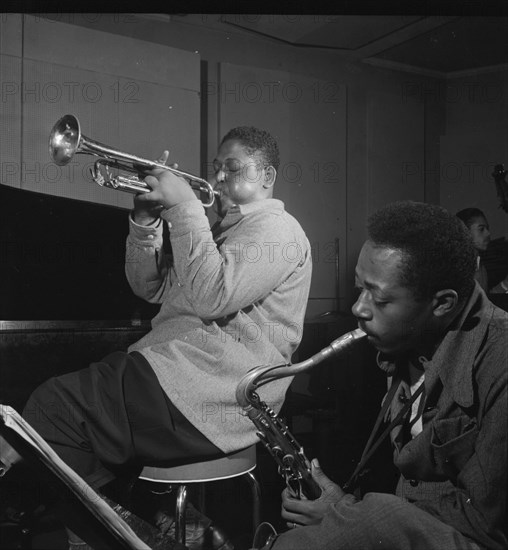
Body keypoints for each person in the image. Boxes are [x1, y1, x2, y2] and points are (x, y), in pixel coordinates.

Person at [0, 126, 312, 548]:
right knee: (69, 427)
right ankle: (178, 532)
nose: (218, 179)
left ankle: (109, 533)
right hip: (182, 373)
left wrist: (185, 208)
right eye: (216, 168)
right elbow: (151, 288)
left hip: (214, 390)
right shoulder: (225, 230)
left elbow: (211, 296)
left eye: (233, 169)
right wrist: (145, 222)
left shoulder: (277, 228)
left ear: (268, 176)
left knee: (55, 408)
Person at [266, 201, 506, 550]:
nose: (358, 308)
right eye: (359, 287)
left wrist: (345, 514)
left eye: (378, 299)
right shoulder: (411, 337)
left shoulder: (500, 361)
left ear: (443, 303)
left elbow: (485, 526)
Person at [456, 207, 508, 294]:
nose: (488, 233)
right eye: (481, 229)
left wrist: (505, 285)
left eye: (487, 228)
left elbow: (483, 300)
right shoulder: (458, 268)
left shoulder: (480, 266)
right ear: (465, 232)